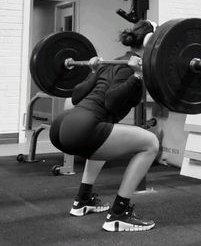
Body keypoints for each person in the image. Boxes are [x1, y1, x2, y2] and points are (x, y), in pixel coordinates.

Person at [49, 19, 159, 232]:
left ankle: (83, 200)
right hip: (82, 127)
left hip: (63, 126)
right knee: (151, 143)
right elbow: (110, 100)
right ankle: (119, 213)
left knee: (105, 138)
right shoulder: (130, 67)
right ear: (150, 41)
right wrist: (136, 76)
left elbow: (77, 95)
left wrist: (93, 72)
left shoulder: (111, 62)